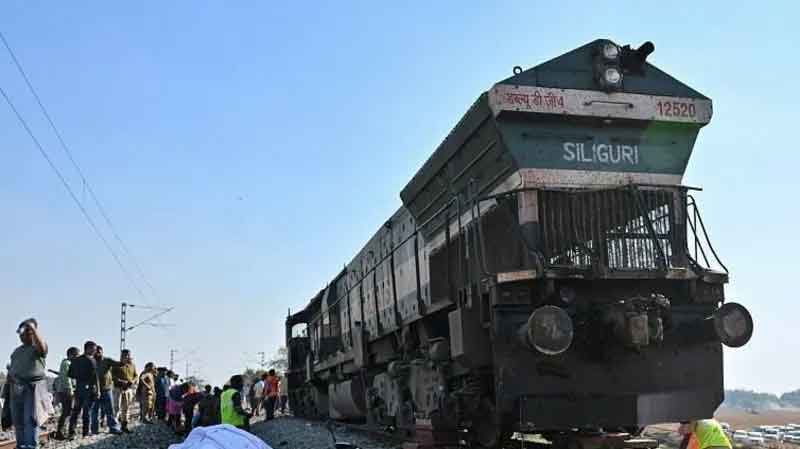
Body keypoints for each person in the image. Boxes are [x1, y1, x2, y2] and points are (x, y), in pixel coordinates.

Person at [7, 318, 48, 449]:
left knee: (30, 420)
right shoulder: (16, 351)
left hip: (32, 388)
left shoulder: (37, 347)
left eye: (26, 332)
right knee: (18, 421)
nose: (21, 335)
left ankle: (30, 446)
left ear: (32, 333)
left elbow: (42, 349)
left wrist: (33, 328)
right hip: (15, 388)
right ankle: (21, 446)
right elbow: (12, 369)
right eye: (21, 333)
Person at [68, 341, 99, 438]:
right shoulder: (92, 360)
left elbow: (70, 374)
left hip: (79, 387)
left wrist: (79, 377)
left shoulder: (76, 360)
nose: (95, 351)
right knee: (87, 412)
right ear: (88, 349)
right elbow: (95, 377)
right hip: (89, 388)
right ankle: (85, 433)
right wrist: (98, 390)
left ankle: (71, 433)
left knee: (76, 411)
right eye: (94, 349)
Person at [90, 345, 122, 435]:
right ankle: (94, 430)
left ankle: (113, 428)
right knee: (94, 411)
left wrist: (123, 361)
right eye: (96, 352)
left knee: (110, 410)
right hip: (95, 390)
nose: (97, 353)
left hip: (107, 389)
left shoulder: (107, 360)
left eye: (99, 351)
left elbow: (118, 364)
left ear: (102, 352)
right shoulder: (91, 361)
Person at [54, 347, 78, 440]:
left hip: (65, 390)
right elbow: (66, 378)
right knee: (66, 411)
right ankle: (60, 432)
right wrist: (70, 391)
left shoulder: (67, 363)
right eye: (76, 355)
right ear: (71, 355)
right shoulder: (66, 363)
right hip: (66, 391)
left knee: (67, 412)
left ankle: (61, 431)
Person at [111, 349, 137, 433]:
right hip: (118, 389)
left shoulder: (132, 365)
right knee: (117, 408)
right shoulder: (116, 365)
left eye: (128, 355)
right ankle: (115, 427)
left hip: (128, 389)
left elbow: (136, 376)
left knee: (126, 408)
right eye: (125, 355)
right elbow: (112, 376)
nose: (127, 357)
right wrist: (122, 382)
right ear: (121, 356)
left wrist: (132, 381)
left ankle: (124, 425)